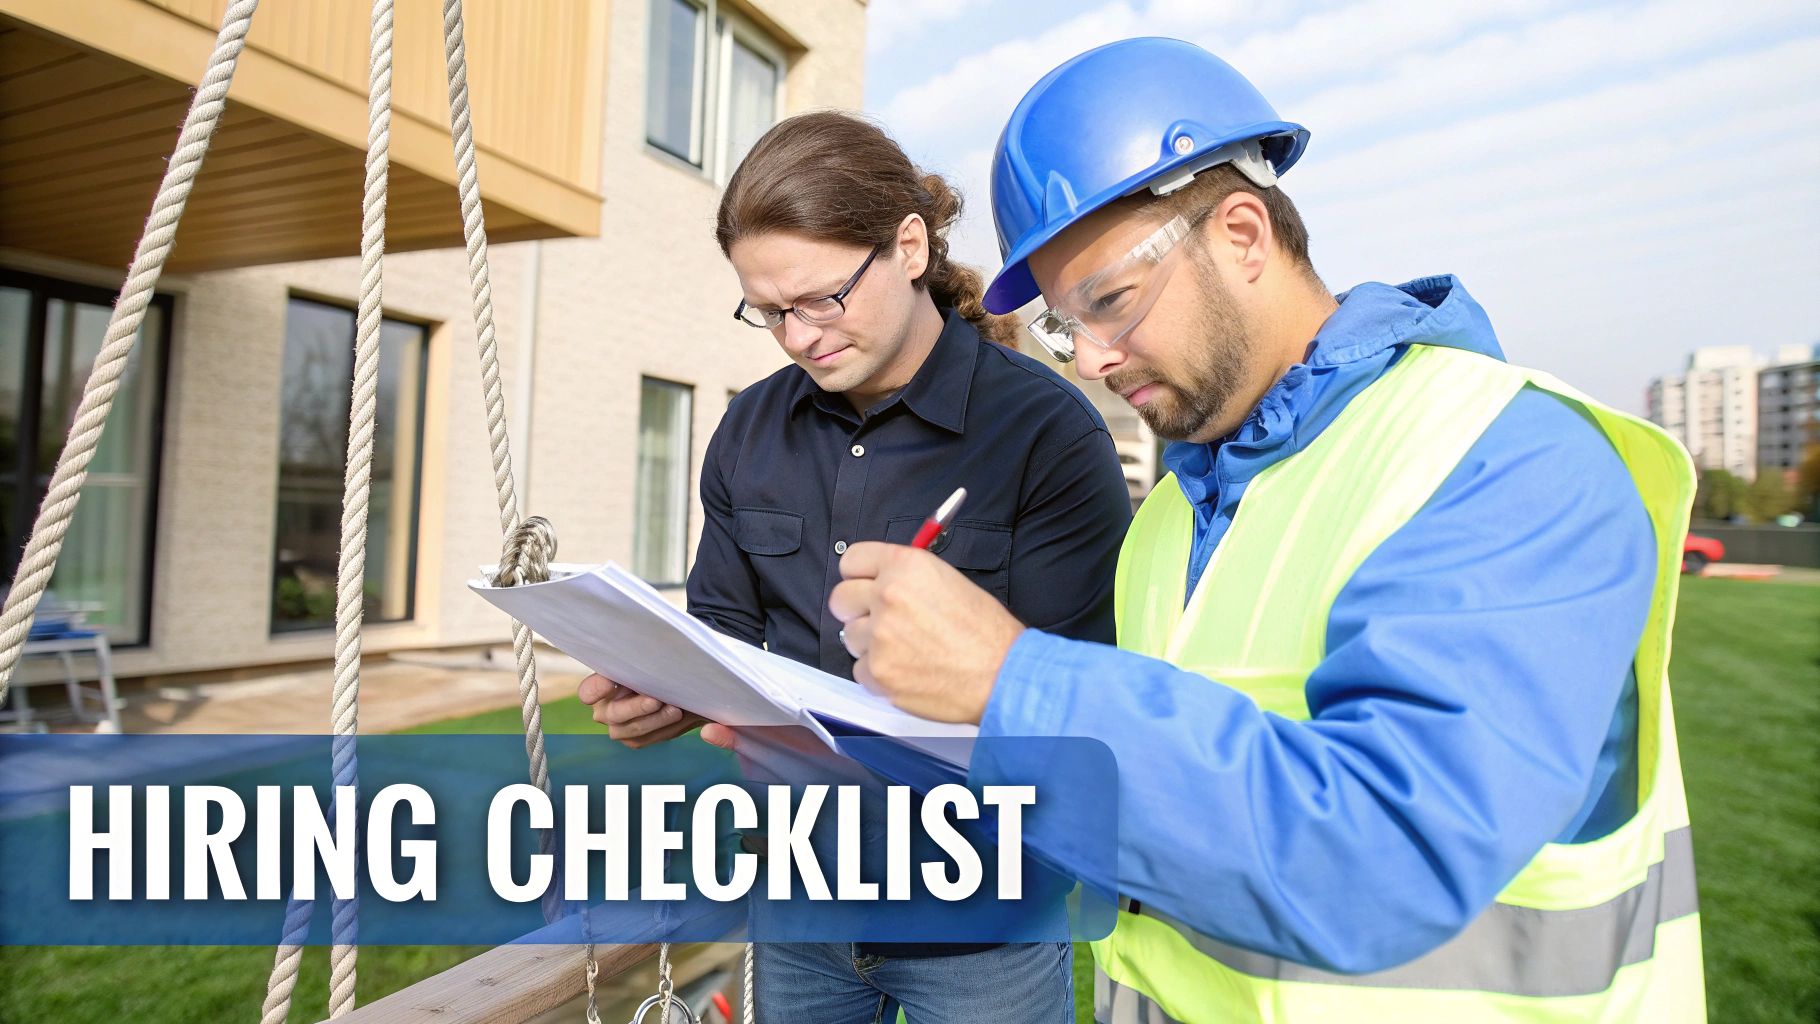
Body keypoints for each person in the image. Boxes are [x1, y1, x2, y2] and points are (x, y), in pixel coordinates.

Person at [830, 37, 1704, 1023]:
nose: (1090, 362)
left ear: (1242, 234)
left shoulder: (1503, 459)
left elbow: (1389, 854)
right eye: (1066, 328)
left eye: (1109, 302)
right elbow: (1171, 806)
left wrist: (1010, 682)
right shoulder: (1165, 521)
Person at [576, 110, 1133, 1022]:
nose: (798, 336)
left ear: (908, 246)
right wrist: (670, 694)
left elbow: (1076, 698)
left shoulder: (1046, 433)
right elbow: (723, 631)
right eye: (769, 311)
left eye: (821, 299)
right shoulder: (749, 430)